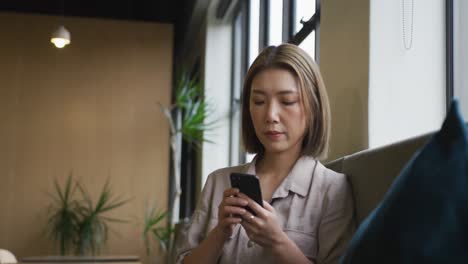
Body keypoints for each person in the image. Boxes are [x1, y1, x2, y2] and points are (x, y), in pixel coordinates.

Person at [175, 43, 355, 264]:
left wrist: (278, 242)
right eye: (259, 101)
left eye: (287, 101)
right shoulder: (218, 182)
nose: (270, 115)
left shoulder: (331, 190)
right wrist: (220, 232)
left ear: (314, 107)